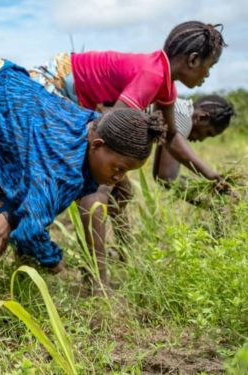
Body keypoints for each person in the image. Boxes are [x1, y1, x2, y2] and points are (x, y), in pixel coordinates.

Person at [0, 56, 165, 281]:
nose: (117, 178)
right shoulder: (62, 173)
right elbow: (29, 232)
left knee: (6, 206)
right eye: (119, 169)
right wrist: (53, 260)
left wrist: (12, 217)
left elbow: (32, 185)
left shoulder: (95, 125)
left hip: (4, 75)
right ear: (97, 145)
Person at [29, 21, 227, 277]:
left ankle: (120, 257)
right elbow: (108, 127)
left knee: (121, 192)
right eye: (209, 68)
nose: (207, 76)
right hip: (52, 90)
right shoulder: (153, 74)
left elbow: (172, 138)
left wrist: (213, 176)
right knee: (95, 193)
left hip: (79, 105)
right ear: (193, 60)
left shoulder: (167, 85)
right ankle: (97, 282)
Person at [151, 95, 235, 185]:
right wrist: (209, 180)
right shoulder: (184, 118)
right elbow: (167, 178)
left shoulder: (179, 110)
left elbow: (159, 176)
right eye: (208, 133)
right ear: (202, 118)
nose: (202, 140)